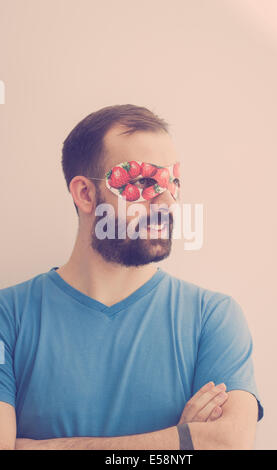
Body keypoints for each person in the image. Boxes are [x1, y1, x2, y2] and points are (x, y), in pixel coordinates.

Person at [0, 104, 263, 450]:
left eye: (173, 182)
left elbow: (227, 443)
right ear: (84, 193)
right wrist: (182, 441)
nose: (167, 203)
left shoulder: (212, 317)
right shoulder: (9, 315)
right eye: (142, 182)